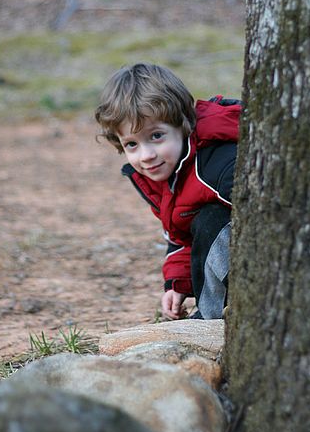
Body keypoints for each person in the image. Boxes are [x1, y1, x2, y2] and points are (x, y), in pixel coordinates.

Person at [95, 63, 241, 320]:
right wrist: (177, 284)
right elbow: (179, 234)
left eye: (156, 136)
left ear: (183, 124)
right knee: (203, 221)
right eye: (132, 144)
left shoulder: (216, 167)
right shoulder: (161, 175)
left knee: (211, 219)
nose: (146, 156)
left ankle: (211, 317)